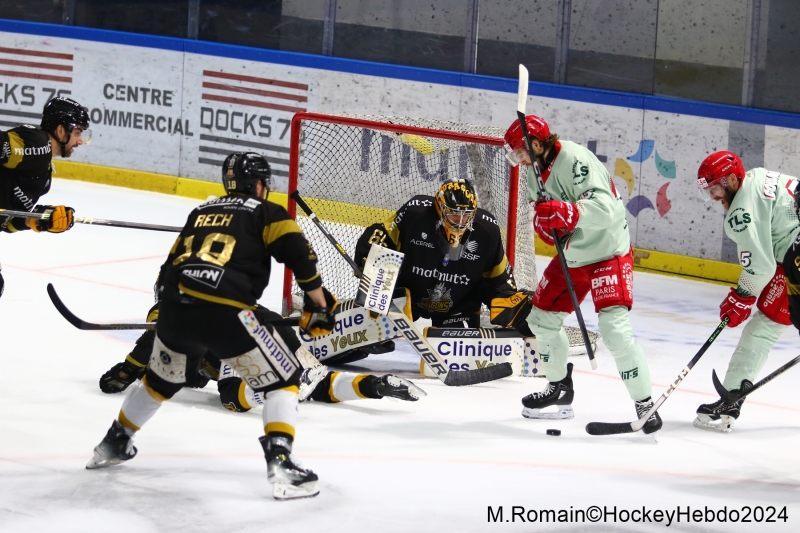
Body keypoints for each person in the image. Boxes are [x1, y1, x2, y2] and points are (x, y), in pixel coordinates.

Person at [86, 152, 338, 501]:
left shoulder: (201, 212)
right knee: (285, 379)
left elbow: (167, 271)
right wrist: (319, 306)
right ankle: (281, 463)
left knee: (160, 382)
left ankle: (115, 442)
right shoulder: (267, 212)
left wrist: (171, 311)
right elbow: (300, 256)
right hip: (228, 313)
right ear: (261, 184)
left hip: (174, 311)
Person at [503, 115, 661, 433]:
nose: (518, 158)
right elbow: (547, 222)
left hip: (608, 252)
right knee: (540, 321)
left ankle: (646, 404)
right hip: (572, 257)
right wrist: (547, 227)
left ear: (535, 144)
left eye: (520, 151)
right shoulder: (533, 173)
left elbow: (607, 210)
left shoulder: (574, 158)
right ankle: (559, 387)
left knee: (614, 330)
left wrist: (566, 212)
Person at [99, 303, 426, 406]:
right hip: (276, 327)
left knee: (231, 396)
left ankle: (282, 380)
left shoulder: (173, 307)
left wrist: (126, 371)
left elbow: (151, 341)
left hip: (243, 337)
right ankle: (373, 385)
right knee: (312, 388)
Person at [350, 177, 534, 351]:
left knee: (456, 351)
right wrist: (370, 257)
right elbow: (381, 235)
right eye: (454, 215)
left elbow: (498, 277)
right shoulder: (415, 214)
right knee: (373, 331)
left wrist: (507, 299)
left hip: (458, 306)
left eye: (466, 216)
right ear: (439, 207)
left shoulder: (487, 231)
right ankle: (369, 327)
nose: (460, 222)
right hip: (407, 296)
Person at [693, 151, 800, 432]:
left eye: (715, 188)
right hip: (793, 251)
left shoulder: (740, 213)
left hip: (797, 255)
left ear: (731, 179)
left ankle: (730, 399)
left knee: (763, 329)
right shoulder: (760, 176)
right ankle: (731, 395)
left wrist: (741, 296)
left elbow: (761, 268)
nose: (715, 197)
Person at [1, 97, 91, 298]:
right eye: (77, 133)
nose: (79, 141)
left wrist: (39, 219)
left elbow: (6, 221)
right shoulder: (38, 145)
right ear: (60, 131)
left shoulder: (44, 177)